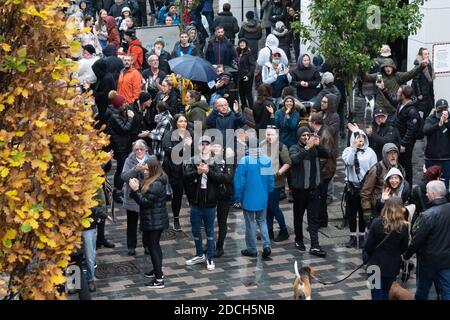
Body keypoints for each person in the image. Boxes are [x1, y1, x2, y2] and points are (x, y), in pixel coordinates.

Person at [183, 135, 229, 271]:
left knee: (210, 231)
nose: (204, 146)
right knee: (195, 230)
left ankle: (209, 257)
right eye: (201, 144)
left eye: (206, 144)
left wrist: (209, 172)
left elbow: (225, 178)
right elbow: (185, 177)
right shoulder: (191, 161)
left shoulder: (218, 161)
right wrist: (197, 173)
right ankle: (198, 254)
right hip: (195, 203)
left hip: (210, 203)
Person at [403, 180, 450, 300]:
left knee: (422, 291)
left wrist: (407, 255)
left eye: (428, 192)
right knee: (446, 291)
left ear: (434, 194)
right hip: (446, 259)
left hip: (428, 261)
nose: (426, 194)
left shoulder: (428, 215)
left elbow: (417, 240)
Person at [129, 157, 169, 288]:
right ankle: (158, 271)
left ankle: (159, 280)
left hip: (155, 221)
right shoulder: (153, 179)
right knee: (154, 247)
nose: (144, 171)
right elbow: (143, 194)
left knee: (153, 248)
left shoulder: (156, 183)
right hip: (152, 219)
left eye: (146, 169)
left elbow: (145, 202)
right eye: (144, 168)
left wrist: (135, 190)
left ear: (153, 169)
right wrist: (136, 187)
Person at [289, 126, 329, 257]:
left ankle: (315, 245)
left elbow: (327, 154)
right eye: (303, 136)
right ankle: (298, 240)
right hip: (300, 191)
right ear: (299, 137)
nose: (306, 137)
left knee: (313, 219)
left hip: (314, 189)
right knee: (298, 217)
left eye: (308, 135)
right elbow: (295, 159)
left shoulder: (314, 148)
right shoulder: (294, 148)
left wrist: (318, 145)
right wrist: (307, 147)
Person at [234, 136, 274, 259]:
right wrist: (267, 193)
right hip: (262, 196)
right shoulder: (266, 160)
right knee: (262, 221)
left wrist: (237, 198)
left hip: (248, 198)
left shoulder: (245, 161)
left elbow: (239, 182)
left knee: (250, 223)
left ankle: (252, 249)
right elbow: (271, 181)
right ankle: (266, 245)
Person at [364, 197, 409, 300]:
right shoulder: (404, 226)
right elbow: (404, 248)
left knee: (376, 293)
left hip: (375, 266)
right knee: (386, 292)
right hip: (392, 266)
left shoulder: (376, 222)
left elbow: (368, 246)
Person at [379, 83, 421, 186]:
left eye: (398, 92)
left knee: (406, 165)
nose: (397, 94)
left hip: (405, 144)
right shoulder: (401, 104)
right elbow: (393, 100)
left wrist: (403, 144)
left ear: (404, 95)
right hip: (399, 140)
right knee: (399, 164)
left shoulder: (412, 110)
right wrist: (384, 89)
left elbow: (411, 130)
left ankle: (408, 187)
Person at [342, 129, 378, 248]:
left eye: (362, 136)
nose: (360, 138)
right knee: (352, 213)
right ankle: (352, 237)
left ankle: (362, 236)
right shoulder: (348, 150)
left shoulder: (370, 152)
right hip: (352, 186)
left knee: (364, 212)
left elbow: (374, 169)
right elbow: (349, 162)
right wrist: (354, 148)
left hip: (366, 187)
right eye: (358, 137)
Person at [121, 140, 154, 256]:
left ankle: (147, 245)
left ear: (146, 150)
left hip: (146, 195)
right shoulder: (129, 160)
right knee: (132, 223)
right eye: (136, 150)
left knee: (146, 223)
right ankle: (131, 246)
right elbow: (124, 176)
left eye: (141, 149)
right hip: (132, 197)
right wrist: (135, 170)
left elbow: (158, 176)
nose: (139, 151)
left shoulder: (151, 159)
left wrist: (146, 171)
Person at [360, 143, 405, 226]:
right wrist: (367, 210)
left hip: (395, 208)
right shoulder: (376, 169)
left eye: (395, 153)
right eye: (389, 153)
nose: (393, 156)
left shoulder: (400, 169)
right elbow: (366, 191)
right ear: (384, 155)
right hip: (379, 209)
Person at [162, 114, 193, 230]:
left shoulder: (191, 133)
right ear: (176, 123)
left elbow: (196, 151)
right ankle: (176, 219)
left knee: (192, 194)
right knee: (177, 196)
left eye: (185, 121)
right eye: (180, 121)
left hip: (189, 169)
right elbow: (170, 152)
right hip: (175, 170)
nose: (183, 123)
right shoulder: (169, 135)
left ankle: (196, 218)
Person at [260, 126, 291, 241]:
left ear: (276, 135)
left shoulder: (281, 146)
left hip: (276, 182)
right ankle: (269, 231)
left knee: (273, 206)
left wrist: (277, 173)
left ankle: (284, 231)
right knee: (267, 207)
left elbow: (287, 163)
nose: (269, 137)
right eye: (268, 134)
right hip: (263, 181)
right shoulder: (262, 144)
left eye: (272, 135)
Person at [105, 91, 135, 203]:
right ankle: (116, 192)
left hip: (123, 144)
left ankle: (117, 190)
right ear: (119, 105)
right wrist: (130, 118)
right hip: (120, 146)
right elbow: (124, 128)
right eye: (124, 104)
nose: (126, 105)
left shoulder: (118, 112)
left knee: (121, 168)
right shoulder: (114, 116)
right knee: (121, 169)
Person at [308, 113, 337, 228]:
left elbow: (326, 155)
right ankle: (322, 219)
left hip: (325, 171)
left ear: (314, 123)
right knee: (321, 196)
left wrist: (313, 166)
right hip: (323, 170)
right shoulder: (319, 132)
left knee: (321, 196)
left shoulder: (325, 134)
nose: (308, 123)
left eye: (310, 121)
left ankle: (321, 220)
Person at [211, 143, 234, 258]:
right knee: (209, 222)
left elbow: (228, 178)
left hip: (224, 196)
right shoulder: (208, 161)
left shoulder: (228, 163)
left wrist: (213, 175)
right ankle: (210, 244)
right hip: (210, 195)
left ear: (223, 150)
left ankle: (220, 246)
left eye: (218, 147)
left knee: (222, 222)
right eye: (214, 147)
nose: (215, 149)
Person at [423, 99, 450, 188]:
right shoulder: (430, 119)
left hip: (446, 159)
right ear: (436, 109)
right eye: (440, 109)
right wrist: (439, 124)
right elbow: (425, 131)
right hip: (432, 158)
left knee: (444, 186)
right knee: (431, 184)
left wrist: (447, 123)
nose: (442, 111)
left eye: (445, 109)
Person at [89, 59, 116, 126]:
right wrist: (90, 86)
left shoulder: (107, 78)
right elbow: (98, 86)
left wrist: (90, 90)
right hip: (102, 107)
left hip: (104, 108)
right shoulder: (103, 76)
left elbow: (102, 96)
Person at [412, 47, 435, 119]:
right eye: (425, 54)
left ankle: (423, 123)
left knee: (430, 106)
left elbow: (430, 80)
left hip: (428, 93)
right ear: (421, 55)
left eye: (428, 54)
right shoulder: (418, 65)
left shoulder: (429, 63)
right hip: (421, 94)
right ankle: (420, 127)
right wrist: (419, 94)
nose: (427, 55)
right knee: (421, 113)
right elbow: (416, 80)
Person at [236, 39, 256, 110]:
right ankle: (244, 108)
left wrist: (249, 75)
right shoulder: (237, 52)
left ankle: (252, 109)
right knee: (241, 93)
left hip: (247, 76)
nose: (242, 44)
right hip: (239, 76)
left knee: (248, 93)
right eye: (240, 43)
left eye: (243, 43)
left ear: (246, 44)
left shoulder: (248, 53)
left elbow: (253, 65)